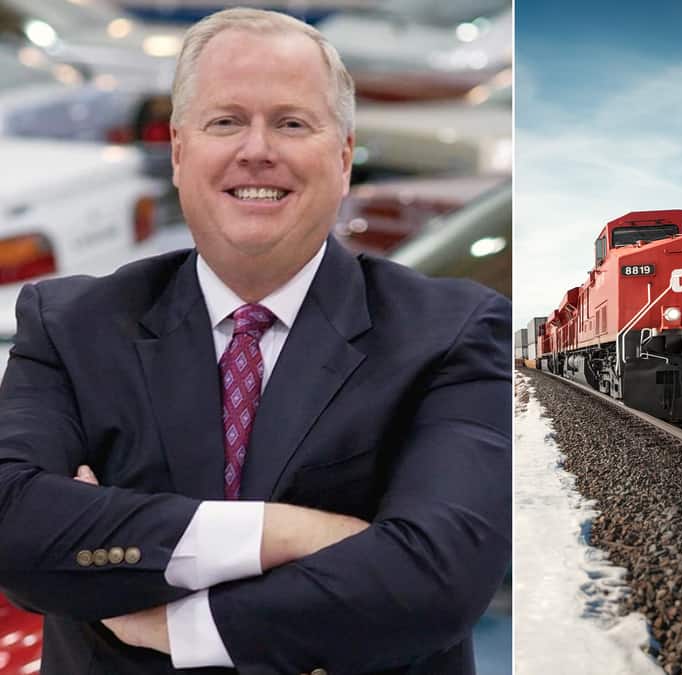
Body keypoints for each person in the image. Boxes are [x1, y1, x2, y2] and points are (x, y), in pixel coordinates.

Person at [0, 8, 511, 674]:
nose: (257, 148)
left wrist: (178, 623)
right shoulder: (72, 326)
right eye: (226, 121)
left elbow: (438, 577)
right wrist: (291, 533)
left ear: (344, 156)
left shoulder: (454, 332)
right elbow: (13, 528)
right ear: (181, 153)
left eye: (292, 122)